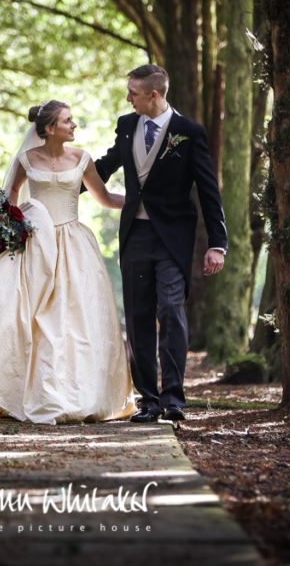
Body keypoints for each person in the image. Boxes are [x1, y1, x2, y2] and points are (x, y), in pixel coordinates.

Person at [0, 100, 136, 425]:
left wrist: (143, 201)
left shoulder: (82, 159)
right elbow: (8, 199)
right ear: (50, 129)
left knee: (75, 320)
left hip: (74, 246)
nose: (74, 125)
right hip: (36, 243)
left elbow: (104, 198)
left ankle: (84, 396)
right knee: (36, 319)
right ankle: (36, 393)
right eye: (68, 120)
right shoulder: (27, 159)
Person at [93, 64, 227, 423]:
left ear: (154, 95)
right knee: (137, 319)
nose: (128, 98)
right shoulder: (126, 126)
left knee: (170, 310)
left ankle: (174, 399)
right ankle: (148, 401)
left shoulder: (188, 132)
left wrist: (218, 242)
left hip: (172, 240)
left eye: (133, 92)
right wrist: (60, 182)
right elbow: (104, 167)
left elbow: (208, 190)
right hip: (135, 237)